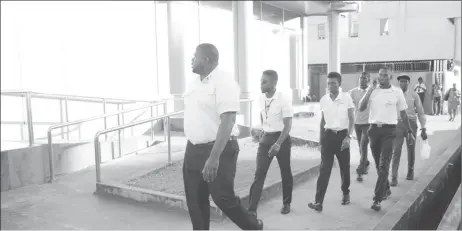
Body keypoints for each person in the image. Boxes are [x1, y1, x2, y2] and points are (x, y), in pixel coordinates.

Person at [183, 43, 263, 230]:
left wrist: (213, 158)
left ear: (206, 59)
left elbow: (228, 121)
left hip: (220, 149)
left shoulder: (224, 82)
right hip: (193, 149)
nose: (191, 60)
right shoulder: (193, 84)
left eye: (195, 56)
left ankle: (253, 226)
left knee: (222, 198)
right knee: (195, 199)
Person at [359, 67, 415, 211]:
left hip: (390, 131)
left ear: (390, 77)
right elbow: (361, 107)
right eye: (380, 75)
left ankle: (377, 199)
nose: (382, 78)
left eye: (385, 75)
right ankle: (387, 188)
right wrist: (370, 90)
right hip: (373, 130)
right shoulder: (373, 90)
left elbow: (403, 114)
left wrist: (409, 130)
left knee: (384, 164)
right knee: (378, 164)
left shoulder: (397, 92)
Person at [248, 70, 293, 216]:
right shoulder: (261, 99)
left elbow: (287, 126)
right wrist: (263, 130)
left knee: (285, 172)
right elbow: (263, 115)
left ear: (274, 83)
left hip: (282, 140)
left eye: (264, 81)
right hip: (266, 139)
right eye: (261, 81)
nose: (261, 84)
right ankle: (252, 210)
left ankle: (286, 203)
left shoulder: (283, 99)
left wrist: (278, 143)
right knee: (259, 174)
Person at [308, 72, 354, 212]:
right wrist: (321, 139)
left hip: (342, 137)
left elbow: (352, 118)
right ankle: (318, 202)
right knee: (324, 170)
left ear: (339, 84)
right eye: (328, 83)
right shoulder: (323, 100)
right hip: (328, 137)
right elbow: (323, 121)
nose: (330, 86)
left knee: (344, 169)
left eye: (333, 83)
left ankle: (345, 192)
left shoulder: (346, 98)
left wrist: (348, 137)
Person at [391, 75, 428, 187]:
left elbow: (420, 112)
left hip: (411, 123)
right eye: (401, 81)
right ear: (398, 83)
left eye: (405, 81)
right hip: (398, 124)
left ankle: (410, 170)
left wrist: (423, 128)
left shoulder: (414, 95)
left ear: (409, 83)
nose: (403, 83)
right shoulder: (394, 95)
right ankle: (394, 177)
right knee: (396, 150)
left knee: (410, 148)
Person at [349, 72, 371, 182]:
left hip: (368, 124)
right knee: (360, 146)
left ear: (368, 80)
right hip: (357, 123)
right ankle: (365, 162)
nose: (362, 80)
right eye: (361, 78)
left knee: (363, 145)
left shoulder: (372, 92)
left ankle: (360, 171)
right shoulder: (353, 92)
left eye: (365, 78)